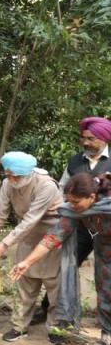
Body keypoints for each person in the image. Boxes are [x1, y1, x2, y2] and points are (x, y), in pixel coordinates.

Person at [11, 172, 111, 345]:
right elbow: (53, 237)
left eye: (75, 202)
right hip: (104, 249)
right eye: (69, 201)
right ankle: (107, 335)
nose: (71, 205)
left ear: (92, 197)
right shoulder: (75, 210)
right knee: (105, 290)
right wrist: (27, 262)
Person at [0, 152, 64, 345]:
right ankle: (19, 326)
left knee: (55, 287)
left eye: (16, 176)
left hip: (52, 237)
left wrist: (4, 244)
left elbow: (30, 220)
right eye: (8, 175)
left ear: (28, 172)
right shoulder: (8, 184)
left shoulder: (46, 185)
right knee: (24, 283)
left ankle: (57, 328)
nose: (12, 179)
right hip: (27, 238)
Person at [46, 117, 111, 323]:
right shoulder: (75, 161)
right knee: (64, 269)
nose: (86, 143)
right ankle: (57, 313)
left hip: (107, 230)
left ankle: (105, 325)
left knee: (106, 280)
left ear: (104, 138)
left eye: (91, 138)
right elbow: (62, 187)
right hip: (80, 228)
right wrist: (63, 208)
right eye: (83, 138)